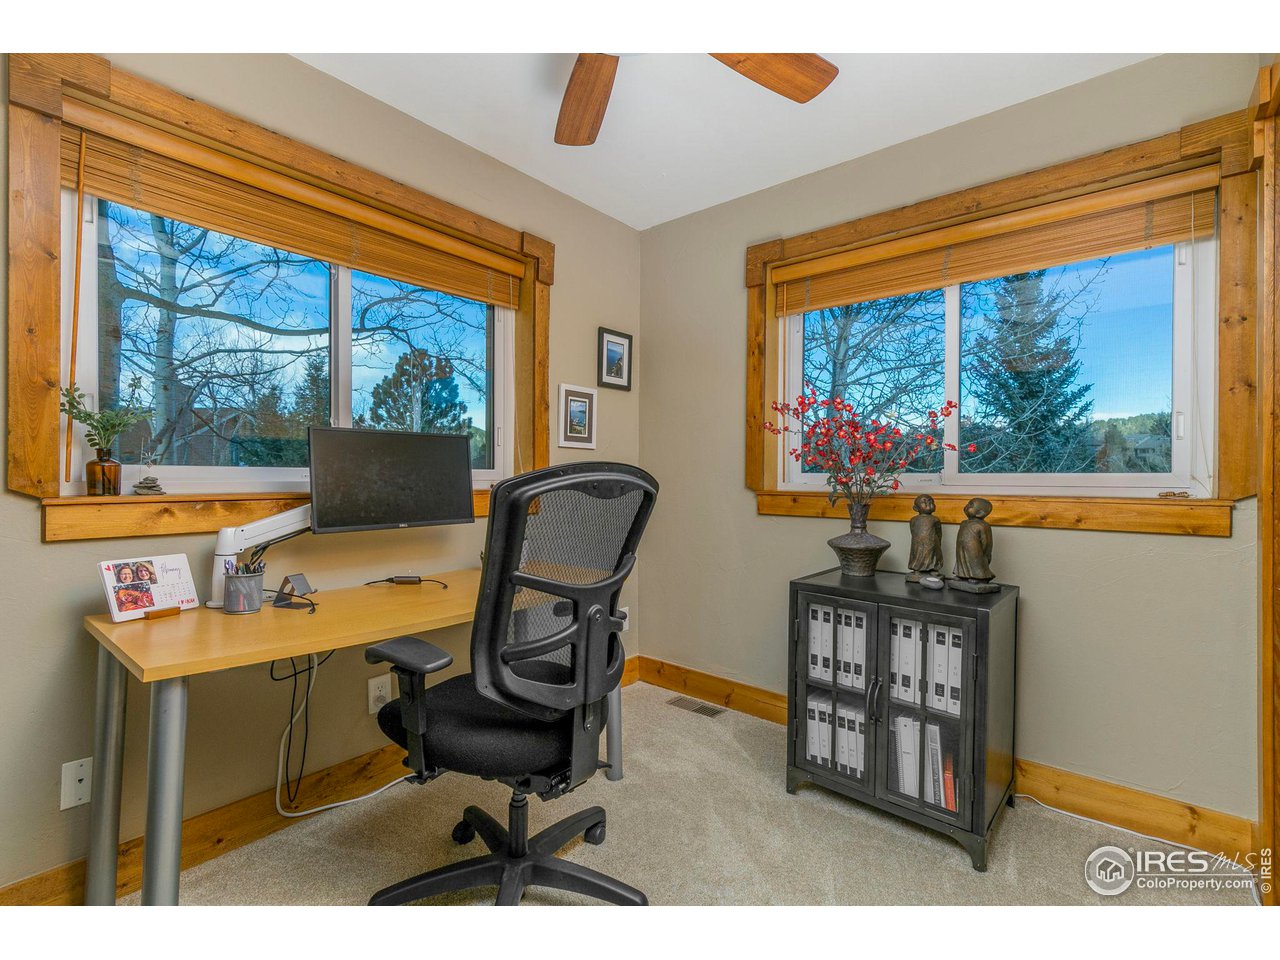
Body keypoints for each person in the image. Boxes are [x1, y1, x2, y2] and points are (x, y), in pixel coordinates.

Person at [953, 497, 994, 582]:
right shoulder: (963, 523)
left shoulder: (983, 526)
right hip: (962, 549)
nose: (967, 506)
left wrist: (984, 553)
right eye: (968, 504)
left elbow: (986, 542)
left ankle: (977, 577)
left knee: (975, 562)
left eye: (970, 505)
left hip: (975, 550)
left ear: (980, 513)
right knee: (962, 560)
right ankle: (962, 574)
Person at [907, 494, 942, 582]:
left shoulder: (935, 519)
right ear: (916, 508)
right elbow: (912, 531)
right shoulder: (913, 519)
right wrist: (918, 539)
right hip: (918, 542)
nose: (928, 503)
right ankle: (917, 569)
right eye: (924, 502)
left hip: (932, 541)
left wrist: (938, 541)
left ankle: (933, 569)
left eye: (931, 502)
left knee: (933, 555)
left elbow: (939, 532)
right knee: (917, 554)